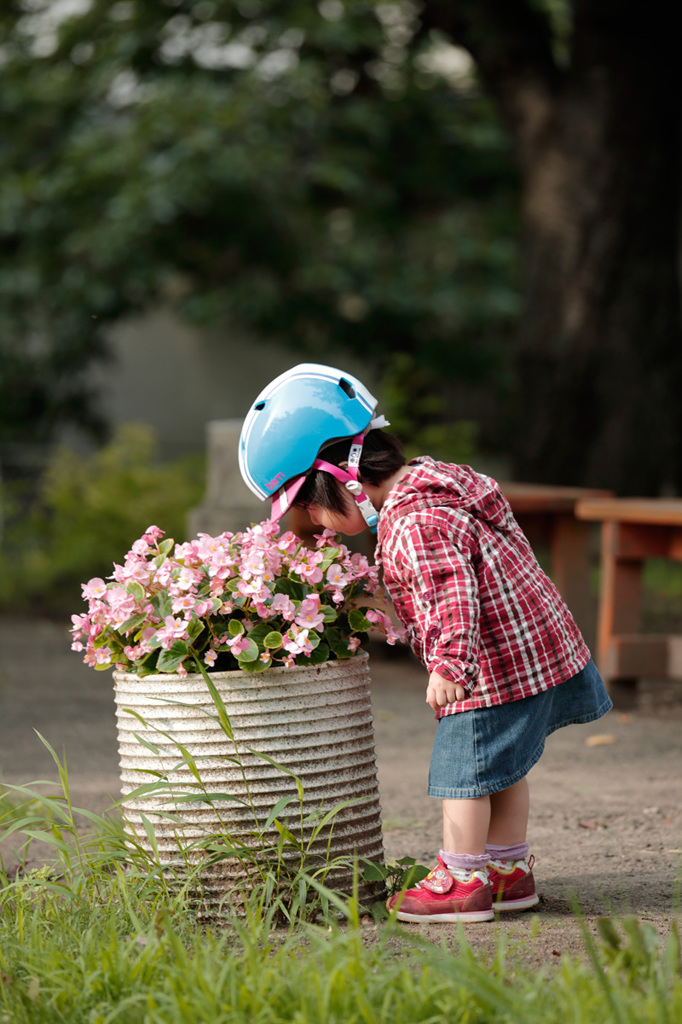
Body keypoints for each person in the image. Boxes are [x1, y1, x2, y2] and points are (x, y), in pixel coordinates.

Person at [239, 362, 613, 923]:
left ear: (341, 479)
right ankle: (506, 872)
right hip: (523, 653)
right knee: (502, 769)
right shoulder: (435, 488)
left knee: (463, 773)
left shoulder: (415, 525)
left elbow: (453, 596)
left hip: (485, 667)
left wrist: (449, 665)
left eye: (309, 506)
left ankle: (462, 880)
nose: (314, 523)